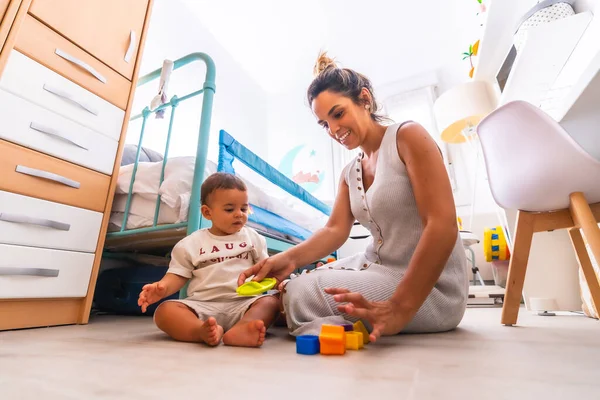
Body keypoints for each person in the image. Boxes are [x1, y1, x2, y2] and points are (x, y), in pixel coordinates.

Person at [238, 52, 468, 342]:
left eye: (338, 114)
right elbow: (335, 230)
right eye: (324, 124)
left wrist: (398, 308)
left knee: (299, 293)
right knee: (292, 284)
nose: (334, 130)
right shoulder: (350, 172)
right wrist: (288, 259)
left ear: (364, 99)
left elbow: (442, 224)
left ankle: (327, 317)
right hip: (378, 267)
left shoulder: (408, 137)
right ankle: (334, 320)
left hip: (431, 287)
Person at [138, 172, 280, 347]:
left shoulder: (254, 238)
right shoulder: (190, 244)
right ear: (207, 212)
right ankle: (200, 330)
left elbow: (266, 270)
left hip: (243, 304)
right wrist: (162, 288)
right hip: (202, 306)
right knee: (164, 311)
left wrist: (278, 283)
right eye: (230, 209)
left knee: (270, 302)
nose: (239, 214)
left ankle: (242, 328)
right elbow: (177, 275)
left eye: (243, 209)